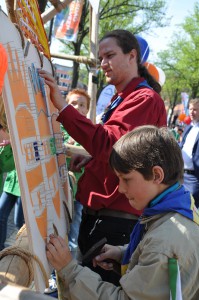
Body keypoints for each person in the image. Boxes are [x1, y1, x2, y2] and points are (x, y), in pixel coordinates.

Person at [39, 29, 167, 284]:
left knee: (94, 289)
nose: (103, 64)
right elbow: (121, 151)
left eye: (109, 55)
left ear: (132, 56)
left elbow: (112, 146)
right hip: (104, 217)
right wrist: (93, 160)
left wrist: (62, 106)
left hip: (115, 221)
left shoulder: (144, 98)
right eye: (100, 58)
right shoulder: (127, 97)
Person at [46, 125, 199, 300]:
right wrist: (124, 254)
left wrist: (69, 270)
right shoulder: (180, 204)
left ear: (157, 175)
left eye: (126, 179)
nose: (120, 188)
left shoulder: (164, 244)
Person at [62, 88, 90, 258]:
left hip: (78, 194)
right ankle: (52, 274)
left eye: (82, 105)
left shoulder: (91, 132)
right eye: (73, 103)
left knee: (73, 235)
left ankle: (68, 275)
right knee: (56, 233)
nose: (78, 107)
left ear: (87, 109)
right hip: (58, 190)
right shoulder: (58, 129)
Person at [0, 137, 24, 251]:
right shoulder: (9, 132)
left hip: (24, 184)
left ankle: (23, 250)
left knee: (19, 222)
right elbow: (4, 164)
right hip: (11, 181)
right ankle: (1, 250)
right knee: (0, 214)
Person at [180, 98, 199, 208]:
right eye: (190, 109)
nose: (191, 112)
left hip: (194, 178)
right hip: (181, 175)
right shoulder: (188, 128)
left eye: (195, 109)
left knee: (191, 208)